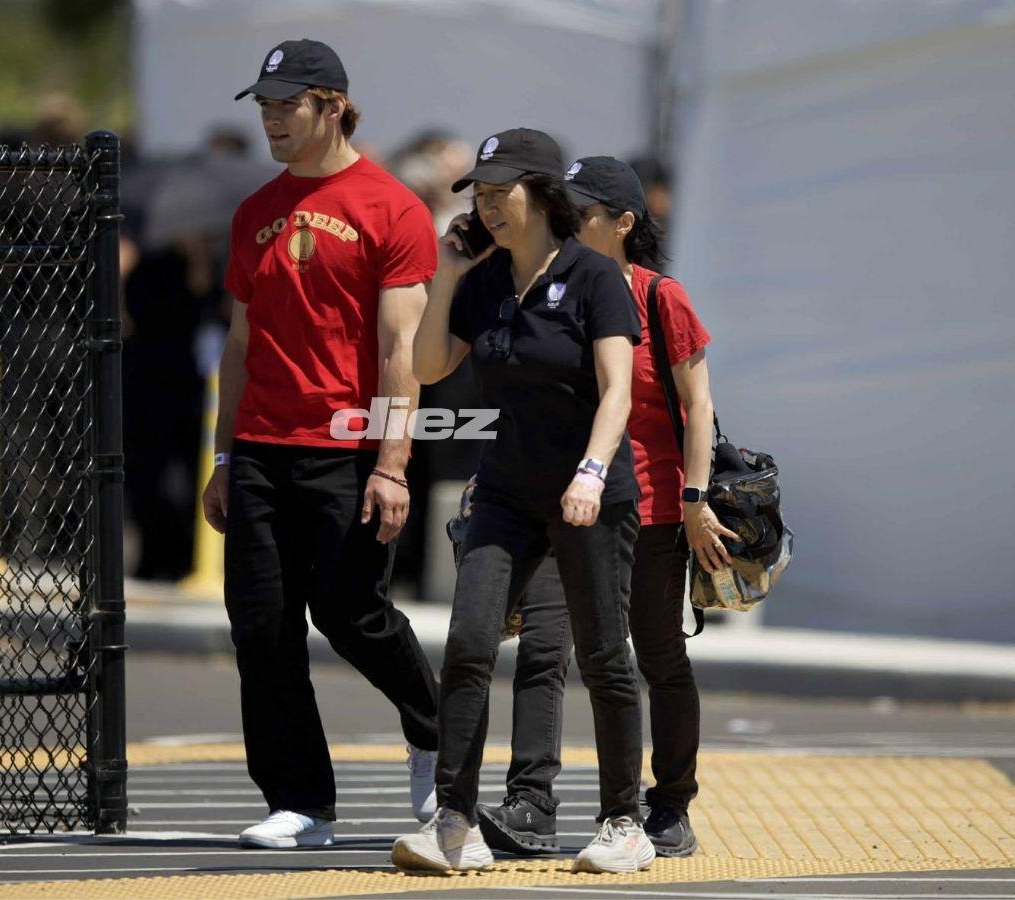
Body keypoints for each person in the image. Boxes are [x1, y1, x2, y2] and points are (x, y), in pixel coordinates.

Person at [201, 39, 441, 850]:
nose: (271, 118)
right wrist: (225, 456)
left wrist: (392, 462)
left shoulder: (392, 207)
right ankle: (301, 802)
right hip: (262, 445)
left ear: (332, 104)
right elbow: (239, 344)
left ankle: (434, 731)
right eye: (263, 105)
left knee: (351, 611)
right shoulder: (253, 211)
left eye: (286, 104)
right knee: (262, 627)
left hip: (347, 445)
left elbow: (401, 352)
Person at [391, 129, 653, 875]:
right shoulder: (484, 282)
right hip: (506, 489)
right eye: (478, 193)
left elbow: (618, 392)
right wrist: (445, 274)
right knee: (471, 641)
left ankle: (623, 821)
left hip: (588, 492)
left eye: (500, 191)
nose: (487, 205)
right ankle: (454, 822)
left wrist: (592, 473)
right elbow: (432, 363)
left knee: (603, 656)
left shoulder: (595, 278)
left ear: (541, 194)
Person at [476, 156, 733, 859]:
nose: (567, 220)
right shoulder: (542, 287)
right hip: (560, 504)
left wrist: (692, 498)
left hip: (644, 510)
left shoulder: (659, 297)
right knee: (544, 651)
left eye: (583, 211)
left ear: (624, 223)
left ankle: (670, 804)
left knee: (654, 657)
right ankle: (530, 804)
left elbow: (698, 404)